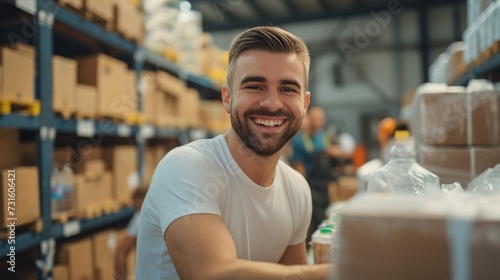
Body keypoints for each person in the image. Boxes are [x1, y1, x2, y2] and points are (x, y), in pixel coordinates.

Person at [136, 26, 331, 279]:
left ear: (304, 104)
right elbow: (212, 273)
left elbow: (291, 273)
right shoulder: (186, 166)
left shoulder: (296, 189)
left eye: (287, 89)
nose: (272, 103)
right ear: (227, 98)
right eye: (255, 86)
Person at [115, 186, 148, 280]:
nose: (135, 205)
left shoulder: (139, 218)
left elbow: (121, 252)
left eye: (135, 201)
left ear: (141, 199)